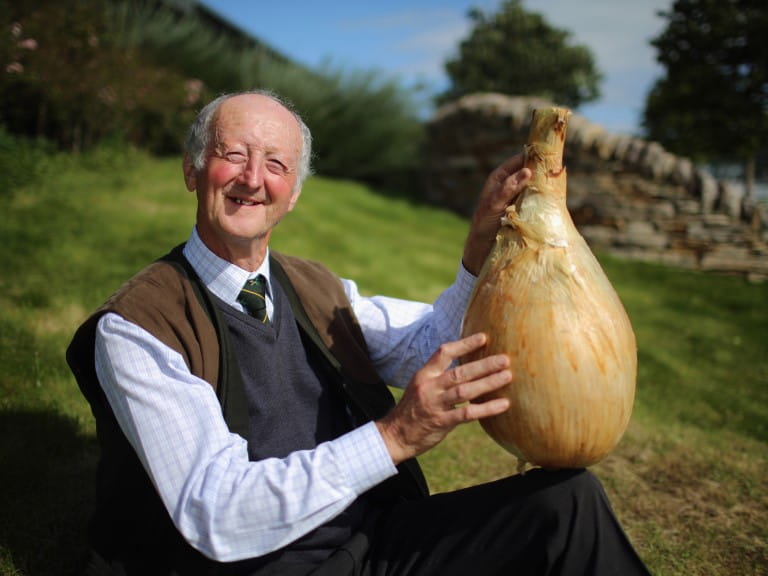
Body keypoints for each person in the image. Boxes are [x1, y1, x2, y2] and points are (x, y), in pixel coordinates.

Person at [67, 89, 652, 576]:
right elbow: (215, 511)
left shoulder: (317, 288)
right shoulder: (138, 327)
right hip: (254, 568)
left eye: (276, 164)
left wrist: (481, 245)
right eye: (232, 154)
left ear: (292, 193)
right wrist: (396, 435)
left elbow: (428, 347)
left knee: (566, 505)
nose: (252, 178)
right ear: (193, 169)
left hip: (373, 541)